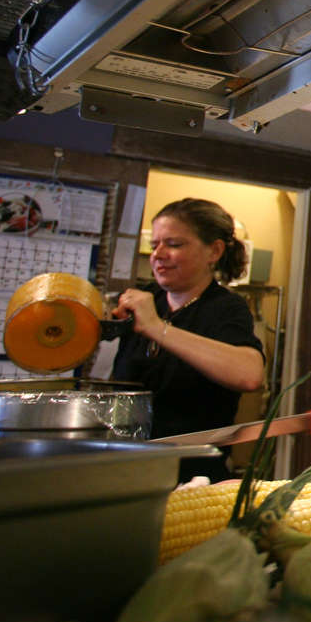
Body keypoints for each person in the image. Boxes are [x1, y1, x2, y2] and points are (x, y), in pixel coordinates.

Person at [111, 198, 265, 481]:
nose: (157, 254)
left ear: (214, 251)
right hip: (125, 470)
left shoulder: (225, 308)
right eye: (154, 244)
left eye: (173, 244)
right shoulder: (145, 300)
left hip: (191, 478)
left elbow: (251, 375)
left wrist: (157, 328)